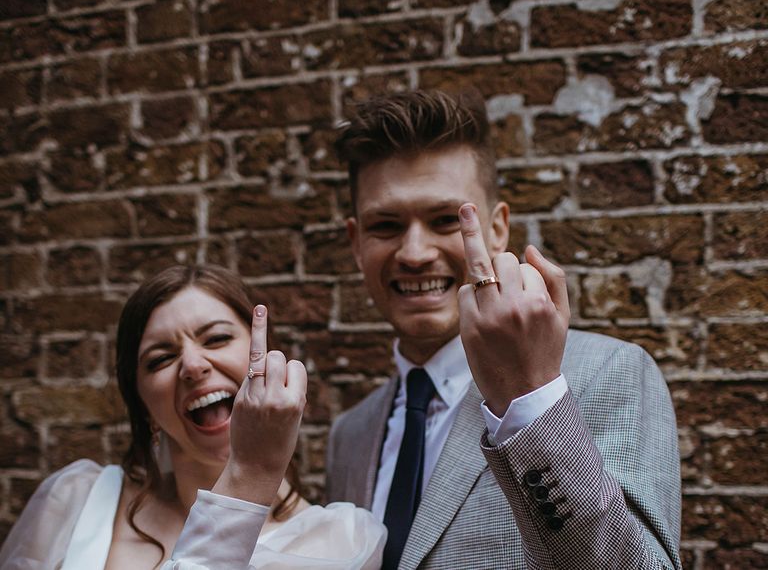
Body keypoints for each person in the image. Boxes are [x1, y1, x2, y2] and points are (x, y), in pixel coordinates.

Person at [323, 90, 682, 569]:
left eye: (446, 219)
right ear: (356, 242)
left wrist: (528, 400)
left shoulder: (609, 373)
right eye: (385, 225)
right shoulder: (350, 435)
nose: (413, 253)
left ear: (497, 229)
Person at [0, 265, 385, 570]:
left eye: (216, 339)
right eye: (161, 359)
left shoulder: (340, 545)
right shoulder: (73, 501)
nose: (193, 365)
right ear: (144, 405)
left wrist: (252, 471)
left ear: (269, 360)